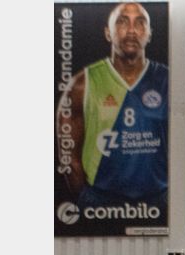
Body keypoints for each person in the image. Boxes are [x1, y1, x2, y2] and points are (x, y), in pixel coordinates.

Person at [56, 3, 167, 210]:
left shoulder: (168, 80)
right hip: (100, 199)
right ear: (108, 33)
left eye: (140, 23)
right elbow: (68, 156)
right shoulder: (82, 83)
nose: (131, 30)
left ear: (149, 34)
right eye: (122, 22)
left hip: (158, 198)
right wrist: (85, 197)